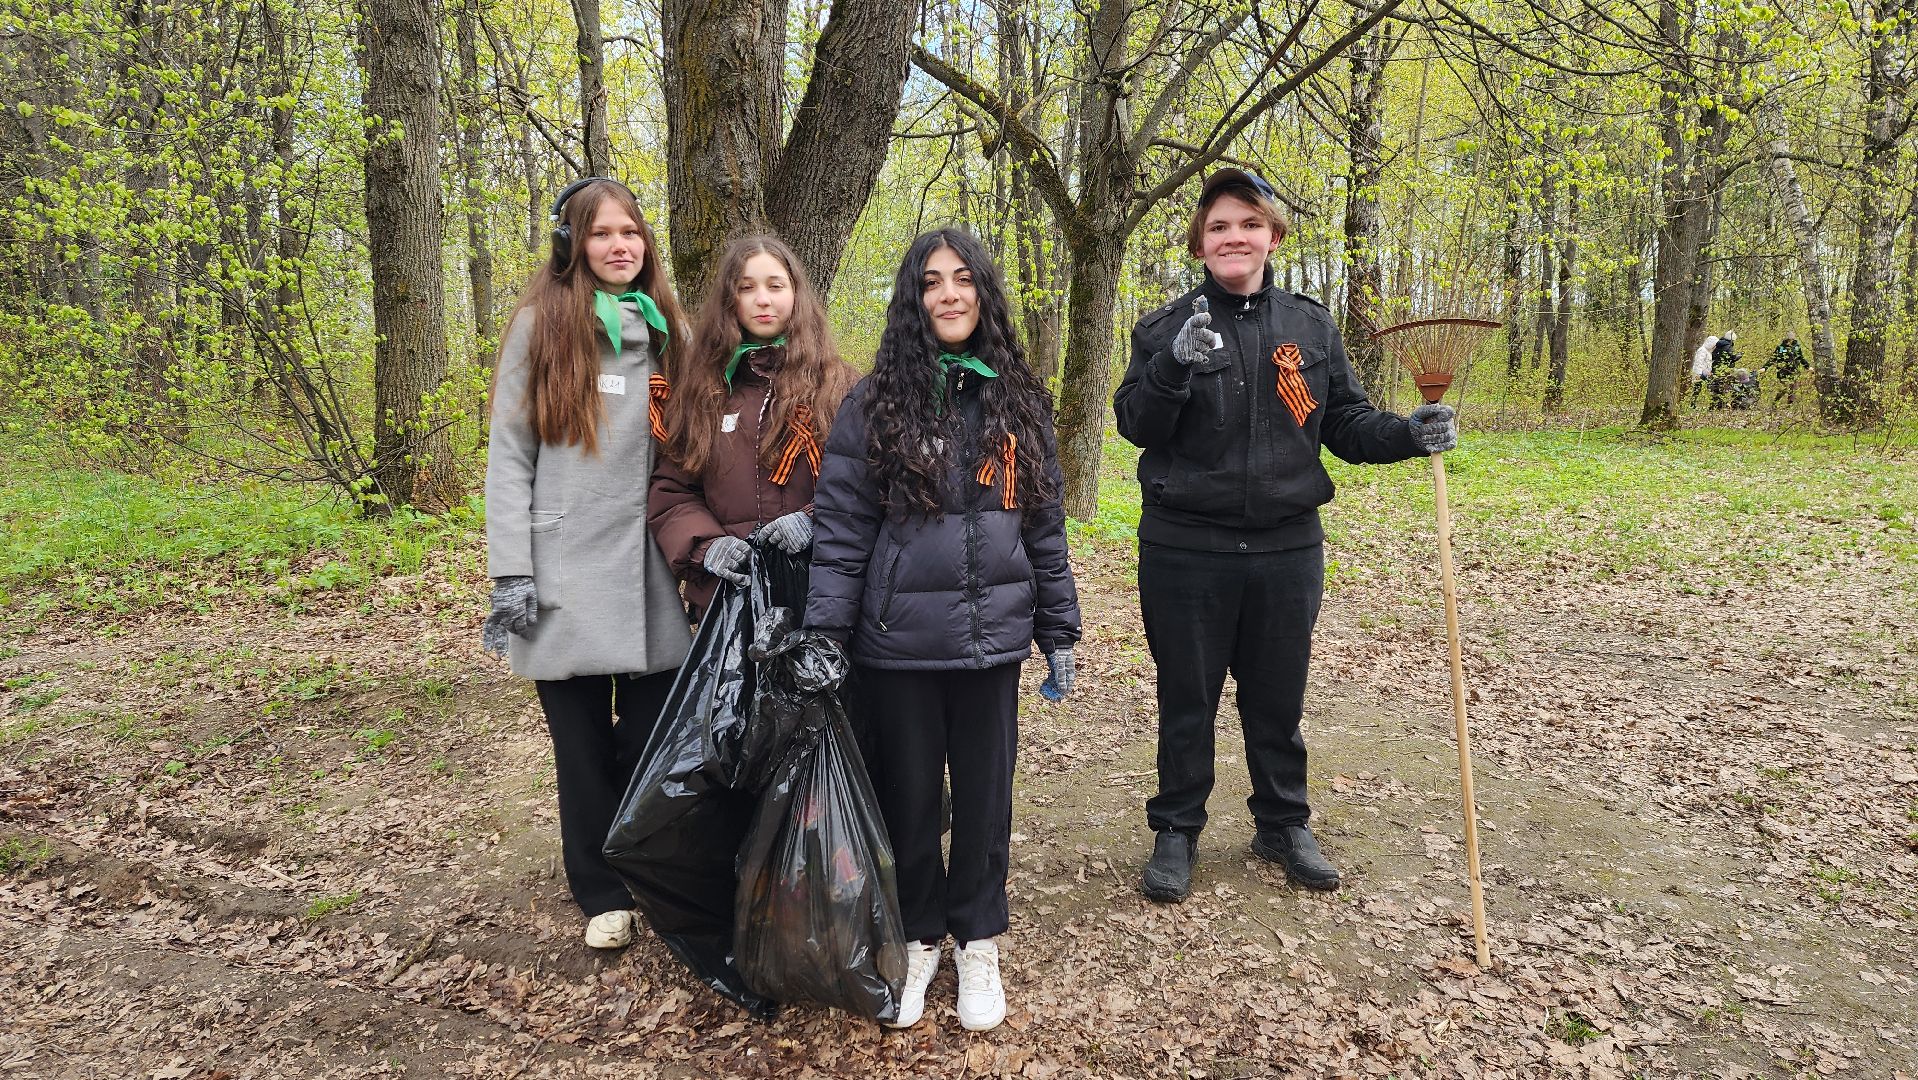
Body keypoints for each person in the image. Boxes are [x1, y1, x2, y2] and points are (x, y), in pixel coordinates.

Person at [1113, 168, 1458, 906]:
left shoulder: (1310, 327)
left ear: (1273, 236)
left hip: (1286, 549)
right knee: (1187, 698)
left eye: (1248, 224)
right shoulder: (1163, 329)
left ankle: (1282, 823)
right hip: (1186, 550)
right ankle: (1176, 829)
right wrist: (1173, 367)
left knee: (1277, 699)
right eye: (1218, 227)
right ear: (1200, 244)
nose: (1233, 237)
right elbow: (1137, 425)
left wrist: (1409, 433)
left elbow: (1345, 425)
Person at [805, 227, 1081, 1033]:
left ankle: (978, 939)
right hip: (899, 644)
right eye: (932, 282)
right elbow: (842, 530)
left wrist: (1059, 628)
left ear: (983, 293)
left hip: (993, 640)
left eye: (963, 279)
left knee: (987, 800)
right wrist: (827, 632)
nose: (949, 294)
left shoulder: (1018, 399)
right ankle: (920, 934)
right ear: (913, 299)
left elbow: (1044, 524)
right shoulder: (874, 403)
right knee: (911, 797)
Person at [481, 177, 693, 950]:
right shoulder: (540, 328)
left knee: (649, 736)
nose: (619, 246)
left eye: (630, 232)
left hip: (648, 571)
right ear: (572, 244)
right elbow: (509, 458)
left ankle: (646, 867)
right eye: (601, 233)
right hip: (562, 569)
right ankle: (600, 891)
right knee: (580, 747)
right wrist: (512, 572)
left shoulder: (670, 328)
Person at [649, 235, 859, 618]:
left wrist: (815, 520)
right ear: (730, 300)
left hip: (823, 599)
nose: (762, 300)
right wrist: (707, 545)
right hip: (729, 603)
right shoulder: (702, 392)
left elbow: (869, 481)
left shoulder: (840, 386)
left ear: (796, 294)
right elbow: (672, 490)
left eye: (775, 286)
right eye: (746, 288)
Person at [1768, 334, 1807, 406]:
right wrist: (1765, 367)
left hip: (1794, 371)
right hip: (1783, 372)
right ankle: (1775, 401)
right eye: (1789, 340)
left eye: (1791, 339)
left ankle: (1789, 404)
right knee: (1785, 388)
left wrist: (1808, 367)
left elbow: (1801, 358)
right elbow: (1773, 359)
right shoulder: (1780, 348)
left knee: (1793, 388)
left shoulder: (1796, 347)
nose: (1790, 341)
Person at [1709, 330, 1740, 409]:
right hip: (1724, 370)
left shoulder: (1718, 345)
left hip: (1715, 368)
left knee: (1716, 386)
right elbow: (1731, 357)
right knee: (1724, 386)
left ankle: (1715, 405)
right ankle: (1722, 405)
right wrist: (1738, 356)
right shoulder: (1728, 346)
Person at [1690, 334, 1719, 406]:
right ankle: (1692, 404)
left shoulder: (1708, 352)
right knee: (1697, 389)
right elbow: (1698, 362)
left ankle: (1713, 403)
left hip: (1705, 373)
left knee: (1708, 387)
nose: (1715, 347)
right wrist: (1698, 374)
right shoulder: (1702, 350)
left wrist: (1709, 371)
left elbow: (1707, 364)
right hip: (1700, 373)